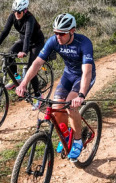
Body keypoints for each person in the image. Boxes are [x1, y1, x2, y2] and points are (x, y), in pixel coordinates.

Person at [16, 13, 95, 160]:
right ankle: (66, 137)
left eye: (62, 33)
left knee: (71, 105)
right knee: (57, 107)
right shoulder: (54, 41)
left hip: (83, 76)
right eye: (56, 33)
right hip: (68, 74)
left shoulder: (84, 43)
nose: (58, 36)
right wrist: (23, 83)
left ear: (72, 30)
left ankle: (77, 140)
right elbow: (37, 63)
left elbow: (87, 71)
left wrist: (81, 95)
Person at [0, 0, 45, 99]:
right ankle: (17, 78)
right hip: (23, 41)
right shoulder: (12, 16)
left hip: (36, 43)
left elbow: (28, 35)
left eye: (19, 12)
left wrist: (24, 51)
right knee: (9, 56)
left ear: (25, 11)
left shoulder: (30, 19)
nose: (16, 14)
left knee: (32, 68)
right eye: (14, 11)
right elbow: (5, 31)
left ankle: (38, 95)